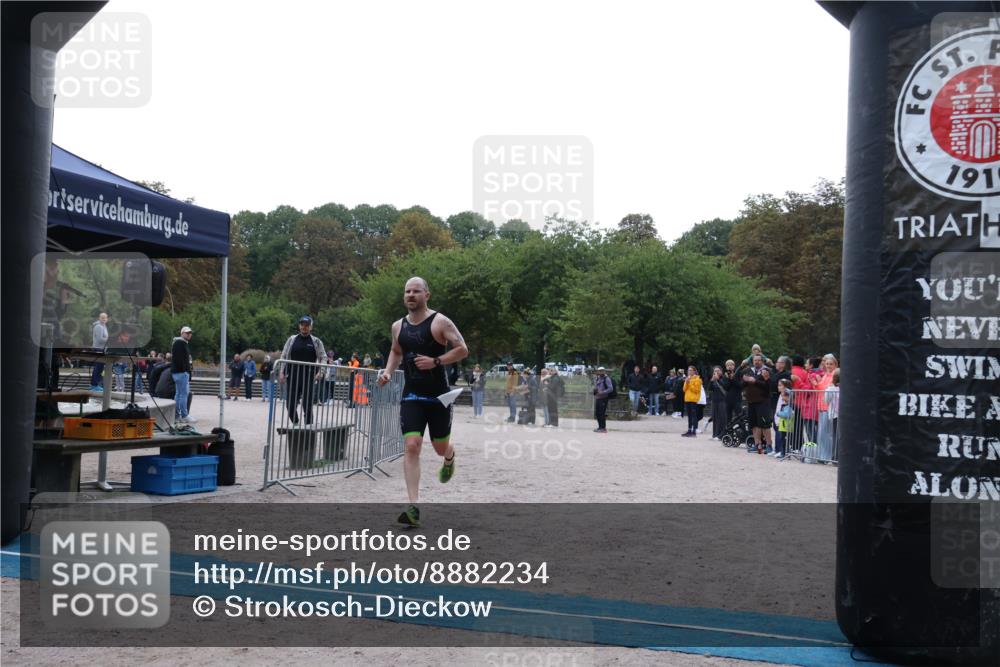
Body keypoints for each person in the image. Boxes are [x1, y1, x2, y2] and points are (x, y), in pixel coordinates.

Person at [377, 277, 468, 527]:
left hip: (439, 397)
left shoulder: (440, 321)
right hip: (412, 395)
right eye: (407, 291)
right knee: (413, 445)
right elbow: (396, 351)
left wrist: (436, 361)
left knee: (439, 447)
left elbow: (462, 349)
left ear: (427, 295)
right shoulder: (398, 326)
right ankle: (413, 507)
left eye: (416, 291)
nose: (411, 295)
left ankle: (449, 456)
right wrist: (387, 372)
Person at [279, 316, 327, 425]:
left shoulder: (316, 341)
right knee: (290, 404)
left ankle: (308, 430)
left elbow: (323, 357)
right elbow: (284, 355)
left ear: (311, 327)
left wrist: (321, 371)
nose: (304, 327)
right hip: (292, 375)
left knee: (307, 405)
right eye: (302, 325)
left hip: (309, 376)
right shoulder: (292, 339)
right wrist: (281, 372)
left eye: (307, 325)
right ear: (299, 326)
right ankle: (296, 423)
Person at [742, 354, 772, 453]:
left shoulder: (766, 371)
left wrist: (755, 381)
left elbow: (768, 387)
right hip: (751, 402)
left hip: (762, 402)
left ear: (762, 361)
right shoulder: (749, 371)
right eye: (755, 360)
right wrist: (745, 380)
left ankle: (769, 445)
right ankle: (757, 444)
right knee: (754, 424)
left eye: (759, 360)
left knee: (764, 424)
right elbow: (740, 383)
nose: (757, 362)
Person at [816, 354, 839, 462]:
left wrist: (817, 384)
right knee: (822, 433)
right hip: (821, 406)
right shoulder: (826, 374)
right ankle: (822, 455)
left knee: (827, 433)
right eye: (827, 363)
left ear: (835, 365)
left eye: (831, 364)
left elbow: (827, 388)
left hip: (828, 407)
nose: (828, 365)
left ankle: (827, 456)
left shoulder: (834, 374)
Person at [170, 326, 196, 424]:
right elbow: (180, 360)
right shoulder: (180, 343)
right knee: (183, 394)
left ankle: (177, 416)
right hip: (181, 372)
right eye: (187, 333)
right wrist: (185, 370)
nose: (189, 334)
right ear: (182, 333)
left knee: (179, 394)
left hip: (178, 372)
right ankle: (184, 415)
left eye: (190, 333)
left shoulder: (179, 343)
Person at [773, 378, 793, 459]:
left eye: (780, 385)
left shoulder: (787, 396)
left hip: (783, 421)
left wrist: (786, 390)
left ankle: (783, 452)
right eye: (778, 385)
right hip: (778, 419)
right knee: (779, 436)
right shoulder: (780, 395)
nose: (778, 387)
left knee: (782, 437)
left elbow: (791, 393)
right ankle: (779, 450)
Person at [90, 312, 109, 390]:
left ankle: (96, 384)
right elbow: (100, 339)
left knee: (99, 367)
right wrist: (108, 340)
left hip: (102, 349)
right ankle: (94, 385)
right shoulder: (98, 327)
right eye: (102, 317)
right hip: (98, 348)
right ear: (99, 318)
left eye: (105, 318)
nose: (104, 319)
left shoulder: (104, 326)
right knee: (98, 367)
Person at [681, 366, 702, 437]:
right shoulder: (687, 378)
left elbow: (696, 390)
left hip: (693, 399)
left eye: (690, 370)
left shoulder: (698, 379)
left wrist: (689, 383)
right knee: (689, 416)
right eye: (688, 370)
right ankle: (689, 430)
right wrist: (686, 382)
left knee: (694, 416)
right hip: (687, 399)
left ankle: (694, 431)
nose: (689, 372)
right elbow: (684, 389)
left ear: (694, 371)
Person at [721, 359, 742, 424]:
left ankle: (741, 430)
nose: (729, 366)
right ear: (726, 367)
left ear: (734, 366)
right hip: (728, 399)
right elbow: (726, 387)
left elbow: (740, 385)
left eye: (731, 365)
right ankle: (728, 431)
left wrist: (733, 379)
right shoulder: (725, 375)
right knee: (728, 417)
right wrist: (729, 379)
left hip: (737, 398)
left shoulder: (738, 373)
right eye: (728, 365)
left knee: (739, 416)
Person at [709, 366, 727, 440]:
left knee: (721, 418)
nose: (716, 372)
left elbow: (725, 386)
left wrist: (718, 379)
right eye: (715, 371)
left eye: (718, 370)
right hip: (714, 400)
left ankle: (721, 434)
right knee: (715, 417)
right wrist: (711, 381)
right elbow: (710, 389)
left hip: (722, 400)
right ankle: (715, 434)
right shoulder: (713, 379)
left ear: (721, 371)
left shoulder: (724, 378)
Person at [592, 366, 612, 433]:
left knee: (602, 413)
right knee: (597, 413)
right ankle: (600, 427)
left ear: (604, 371)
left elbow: (610, 388)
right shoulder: (598, 378)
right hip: (598, 398)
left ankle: (603, 428)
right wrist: (595, 391)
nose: (601, 372)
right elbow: (597, 387)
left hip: (603, 398)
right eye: (600, 371)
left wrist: (602, 392)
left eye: (602, 371)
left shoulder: (607, 379)